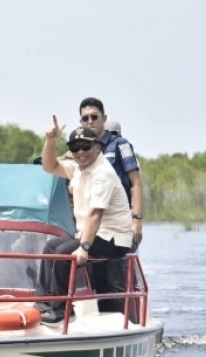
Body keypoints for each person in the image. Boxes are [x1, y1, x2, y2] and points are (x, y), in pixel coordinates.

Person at [33, 117, 133, 325]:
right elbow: (49, 166)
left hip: (112, 238)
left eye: (85, 146)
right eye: (75, 147)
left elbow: (95, 214)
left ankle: (62, 310)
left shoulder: (102, 174)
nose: (80, 152)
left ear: (97, 147)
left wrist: (84, 247)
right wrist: (51, 141)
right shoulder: (79, 168)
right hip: (92, 232)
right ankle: (45, 302)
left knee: (63, 254)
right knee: (51, 246)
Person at [78, 98, 143, 249]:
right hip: (94, 220)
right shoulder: (82, 149)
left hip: (118, 221)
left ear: (104, 118)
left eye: (94, 117)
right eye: (85, 118)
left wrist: (137, 220)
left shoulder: (121, 144)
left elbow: (136, 183)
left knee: (117, 270)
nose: (90, 121)